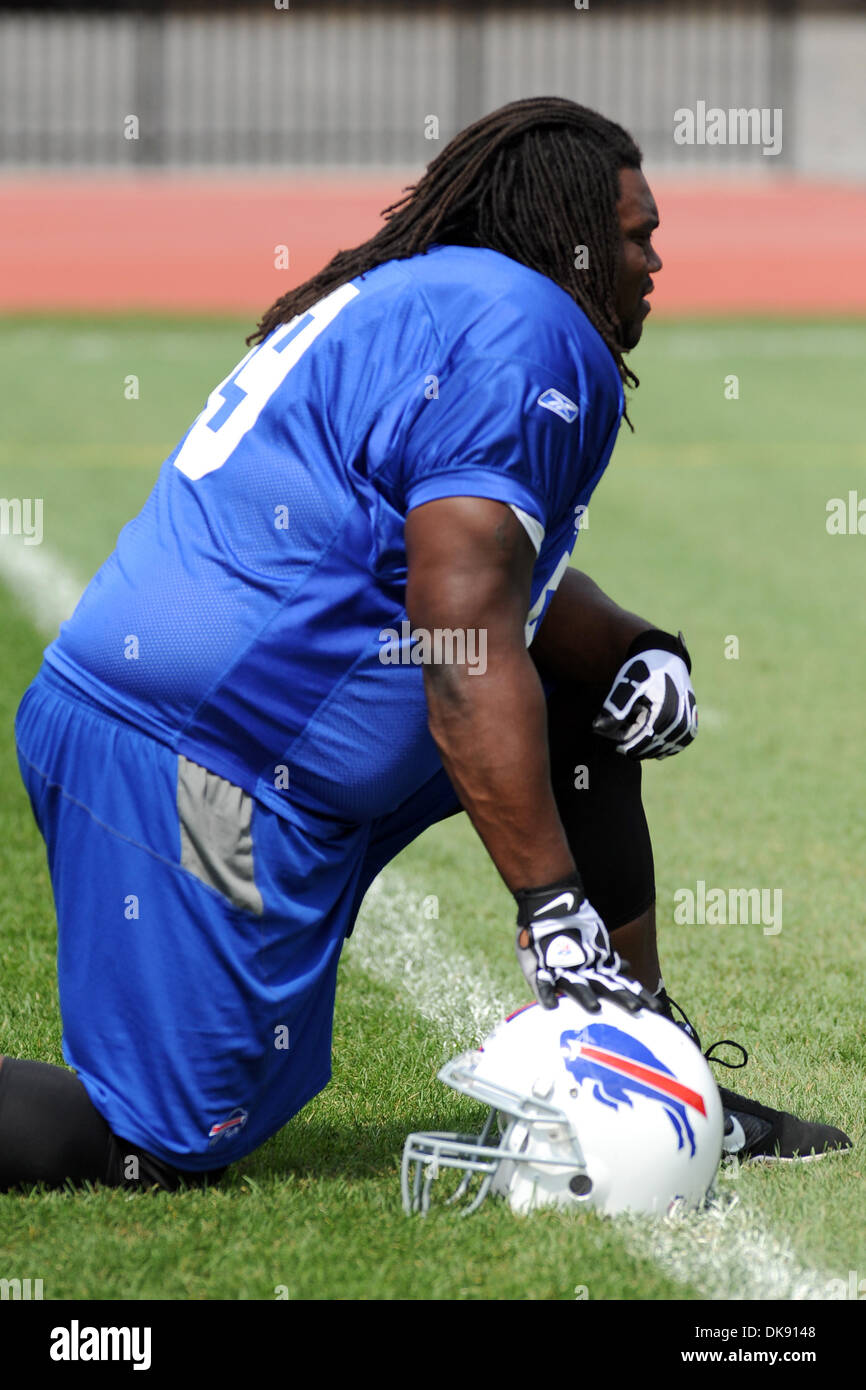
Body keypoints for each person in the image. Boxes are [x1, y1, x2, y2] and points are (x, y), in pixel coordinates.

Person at [4, 97, 848, 1192]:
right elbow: (459, 636)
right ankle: (599, 1008)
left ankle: (646, 1053)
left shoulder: (434, 294)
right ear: (567, 233)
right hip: (200, 773)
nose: (653, 258)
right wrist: (553, 918)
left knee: (584, 688)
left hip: (208, 729)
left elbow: (483, 574)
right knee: (155, 1140)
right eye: (636, 232)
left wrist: (638, 645)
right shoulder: (528, 327)